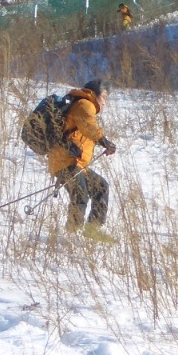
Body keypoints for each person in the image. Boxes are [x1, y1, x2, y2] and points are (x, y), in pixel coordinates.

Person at [47, 78, 117, 237]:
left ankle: (92, 231)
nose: (105, 102)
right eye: (104, 97)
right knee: (80, 196)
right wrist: (103, 141)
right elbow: (88, 125)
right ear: (95, 94)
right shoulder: (85, 104)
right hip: (67, 162)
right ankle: (72, 236)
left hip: (74, 163)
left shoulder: (80, 104)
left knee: (101, 187)